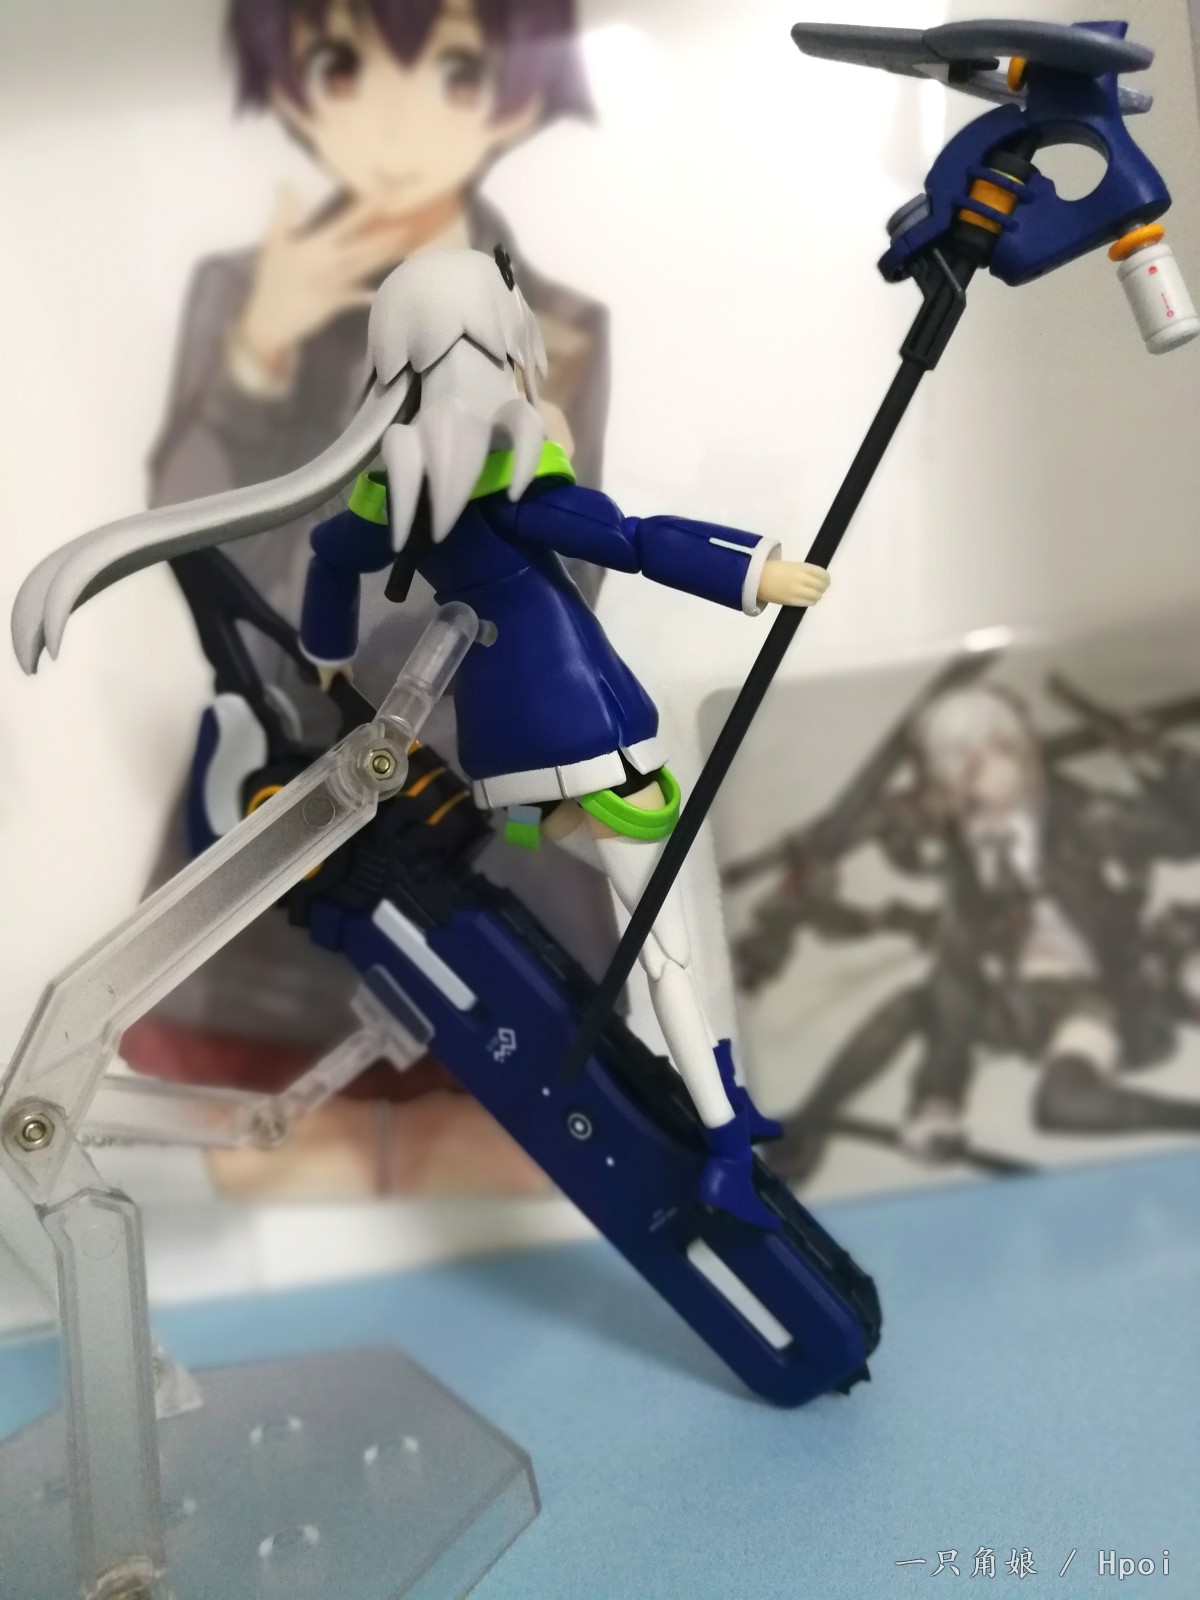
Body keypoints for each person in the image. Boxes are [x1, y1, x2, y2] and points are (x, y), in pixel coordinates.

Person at [15, 248, 831, 1228]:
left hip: (506, 736)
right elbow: (634, 538)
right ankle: (724, 1141)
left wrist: (326, 654)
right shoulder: (516, 484)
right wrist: (753, 572)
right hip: (582, 718)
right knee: (667, 940)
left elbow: (330, 556)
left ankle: (720, 1100)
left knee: (642, 895)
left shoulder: (397, 502)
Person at [130, 0, 612, 1083]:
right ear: (295, 86)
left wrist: (548, 457)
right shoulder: (244, 293)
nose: (394, 125)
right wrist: (255, 358)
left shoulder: (556, 325)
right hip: (292, 769)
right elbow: (187, 530)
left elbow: (568, 584)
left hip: (467, 783)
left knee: (524, 1063)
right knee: (260, 1094)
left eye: (451, 72)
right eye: (345, 68)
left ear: (514, 96)